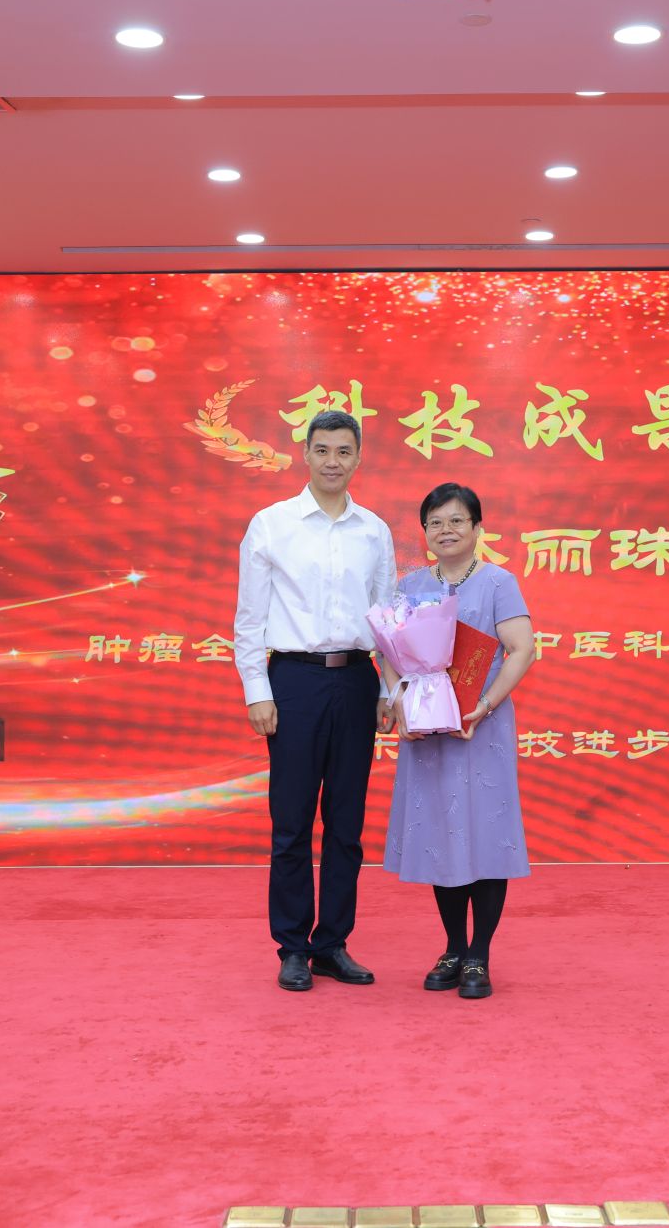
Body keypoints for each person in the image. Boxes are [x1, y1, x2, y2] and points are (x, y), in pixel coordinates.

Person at [234, 409, 398, 992]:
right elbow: (249, 619)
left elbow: (387, 619)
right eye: (323, 450)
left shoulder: (373, 531)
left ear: (359, 458)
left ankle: (332, 944)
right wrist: (258, 690)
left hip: (355, 681)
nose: (333, 461)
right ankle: (293, 947)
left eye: (344, 451)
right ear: (305, 454)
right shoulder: (272, 524)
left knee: (347, 824)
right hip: (294, 682)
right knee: (292, 821)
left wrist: (390, 689)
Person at [380, 482, 535, 999]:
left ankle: (479, 955)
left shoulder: (497, 583)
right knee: (441, 834)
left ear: (476, 527)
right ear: (424, 531)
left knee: (484, 834)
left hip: (479, 728)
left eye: (456, 521)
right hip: (429, 733)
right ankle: (452, 947)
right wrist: (398, 699)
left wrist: (484, 704)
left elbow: (521, 649)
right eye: (435, 523)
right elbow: (390, 654)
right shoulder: (410, 587)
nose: (445, 530)